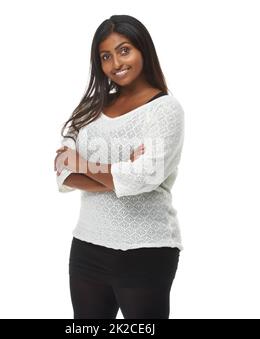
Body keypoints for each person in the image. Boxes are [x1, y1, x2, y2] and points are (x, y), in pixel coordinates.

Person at [54, 14, 185, 319]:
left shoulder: (165, 109)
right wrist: (122, 169)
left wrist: (85, 164)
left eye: (124, 50)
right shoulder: (92, 108)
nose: (116, 63)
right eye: (105, 56)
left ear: (143, 50)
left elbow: (146, 177)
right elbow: (64, 169)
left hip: (145, 249)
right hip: (87, 245)